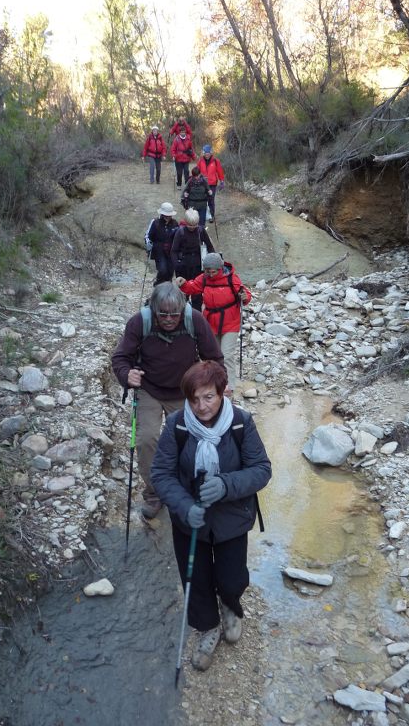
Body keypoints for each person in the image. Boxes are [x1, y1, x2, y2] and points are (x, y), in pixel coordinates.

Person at [151, 360, 271, 672]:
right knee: (196, 579)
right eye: (194, 399)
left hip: (232, 519)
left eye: (208, 397)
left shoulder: (241, 423)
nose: (201, 406)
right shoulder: (177, 426)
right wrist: (183, 505)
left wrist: (226, 485)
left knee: (231, 579)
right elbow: (161, 474)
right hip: (191, 524)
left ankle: (230, 606)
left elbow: (261, 470)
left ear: (222, 393)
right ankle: (208, 627)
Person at [111, 283, 225, 520]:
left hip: (185, 391)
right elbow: (121, 357)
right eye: (163, 314)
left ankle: (188, 486)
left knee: (192, 441)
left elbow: (214, 358)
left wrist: (214, 387)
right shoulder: (138, 322)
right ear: (153, 309)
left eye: (175, 313)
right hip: (149, 389)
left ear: (182, 309)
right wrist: (126, 375)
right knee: (146, 440)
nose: (170, 319)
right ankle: (155, 493)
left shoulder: (194, 320)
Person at [176, 252, 251, 398]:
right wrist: (183, 283)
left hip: (231, 322)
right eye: (207, 270)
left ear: (220, 268)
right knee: (212, 356)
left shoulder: (231, 279)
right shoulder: (203, 279)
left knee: (226, 354)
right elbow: (192, 287)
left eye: (213, 271)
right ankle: (215, 383)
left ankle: (229, 387)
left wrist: (245, 296)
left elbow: (244, 293)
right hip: (210, 322)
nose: (210, 274)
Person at [171, 209, 214, 311]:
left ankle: (196, 315)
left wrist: (212, 261)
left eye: (194, 224)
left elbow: (210, 246)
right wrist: (177, 264)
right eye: (190, 225)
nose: (192, 227)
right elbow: (173, 251)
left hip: (198, 267)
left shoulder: (201, 230)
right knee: (182, 293)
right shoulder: (180, 232)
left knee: (197, 294)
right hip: (183, 266)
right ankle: (181, 313)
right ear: (186, 222)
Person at [145, 202, 179, 286]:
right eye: (166, 215)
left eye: (169, 215)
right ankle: (158, 284)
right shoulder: (155, 223)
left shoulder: (175, 223)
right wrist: (149, 247)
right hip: (159, 250)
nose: (168, 217)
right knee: (162, 269)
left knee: (170, 271)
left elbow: (178, 237)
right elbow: (149, 236)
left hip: (171, 251)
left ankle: (167, 287)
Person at [197, 145, 225, 220]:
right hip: (203, 183)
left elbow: (220, 171)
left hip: (212, 184)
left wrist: (222, 181)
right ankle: (203, 214)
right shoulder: (200, 161)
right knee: (202, 199)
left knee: (211, 199)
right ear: (203, 153)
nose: (207, 155)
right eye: (205, 153)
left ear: (211, 153)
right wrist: (196, 179)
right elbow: (197, 171)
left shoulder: (216, 161)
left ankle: (211, 215)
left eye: (208, 153)